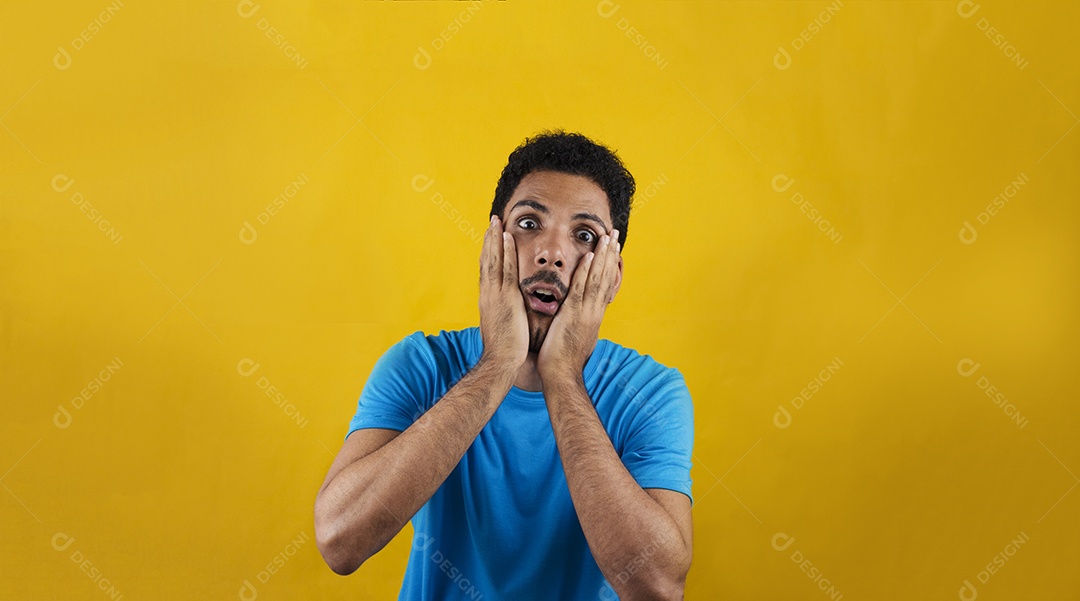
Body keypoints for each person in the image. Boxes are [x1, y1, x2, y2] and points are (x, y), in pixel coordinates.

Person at [314, 131, 694, 600]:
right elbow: (339, 540)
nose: (551, 252)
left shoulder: (651, 392)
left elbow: (658, 587)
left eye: (584, 235)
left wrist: (562, 376)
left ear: (611, 277)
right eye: (530, 223)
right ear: (492, 247)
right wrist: (498, 364)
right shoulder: (420, 365)